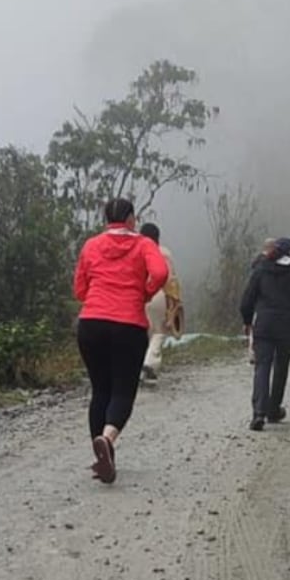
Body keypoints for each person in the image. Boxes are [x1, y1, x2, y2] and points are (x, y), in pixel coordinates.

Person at [74, 198, 169, 483]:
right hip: (127, 324)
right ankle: (108, 438)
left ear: (106, 219)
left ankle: (102, 455)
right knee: (122, 392)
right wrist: (145, 292)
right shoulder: (143, 244)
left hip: (91, 324)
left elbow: (79, 288)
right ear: (130, 219)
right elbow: (161, 273)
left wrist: (94, 297)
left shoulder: (91, 245)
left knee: (100, 390)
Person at [240, 237, 290, 431]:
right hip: (287, 327)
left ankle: (258, 412)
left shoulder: (260, 270)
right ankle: (273, 409)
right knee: (281, 367)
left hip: (264, 325)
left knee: (262, 367)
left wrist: (247, 322)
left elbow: (247, 299)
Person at [137, 223, 180, 382]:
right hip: (158, 294)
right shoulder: (164, 253)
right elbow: (171, 280)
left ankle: (139, 365)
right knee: (159, 331)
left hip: (138, 296)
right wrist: (174, 302)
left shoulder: (136, 251)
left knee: (144, 332)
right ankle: (150, 364)